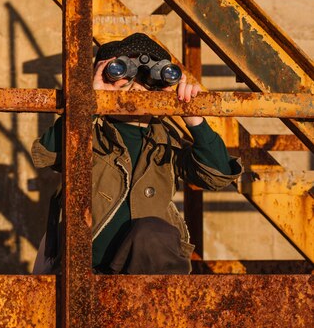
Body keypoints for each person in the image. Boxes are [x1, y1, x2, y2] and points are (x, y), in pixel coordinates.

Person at [31, 33, 242, 275]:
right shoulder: (89, 131)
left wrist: (193, 117)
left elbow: (218, 176)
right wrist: (90, 101)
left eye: (149, 77)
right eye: (124, 72)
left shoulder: (166, 142)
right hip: (86, 271)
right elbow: (48, 155)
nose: (138, 86)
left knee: (152, 232)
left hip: (147, 271)